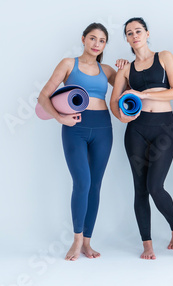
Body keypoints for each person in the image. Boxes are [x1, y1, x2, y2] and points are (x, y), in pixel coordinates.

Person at [38, 23, 117, 261]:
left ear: (105, 45)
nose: (96, 44)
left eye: (101, 40)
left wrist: (123, 69)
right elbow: (43, 96)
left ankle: (88, 243)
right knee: (82, 182)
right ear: (83, 39)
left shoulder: (107, 70)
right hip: (75, 129)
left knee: (95, 185)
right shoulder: (68, 64)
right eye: (92, 38)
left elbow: (130, 90)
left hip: (103, 128)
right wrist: (60, 117)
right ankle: (76, 240)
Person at [110, 17, 173, 260]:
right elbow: (114, 101)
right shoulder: (126, 68)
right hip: (136, 131)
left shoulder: (164, 57)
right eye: (129, 33)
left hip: (163, 128)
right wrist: (121, 118)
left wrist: (142, 93)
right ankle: (147, 244)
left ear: (147, 33)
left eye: (138, 31)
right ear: (127, 39)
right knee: (140, 189)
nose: (135, 35)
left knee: (155, 186)